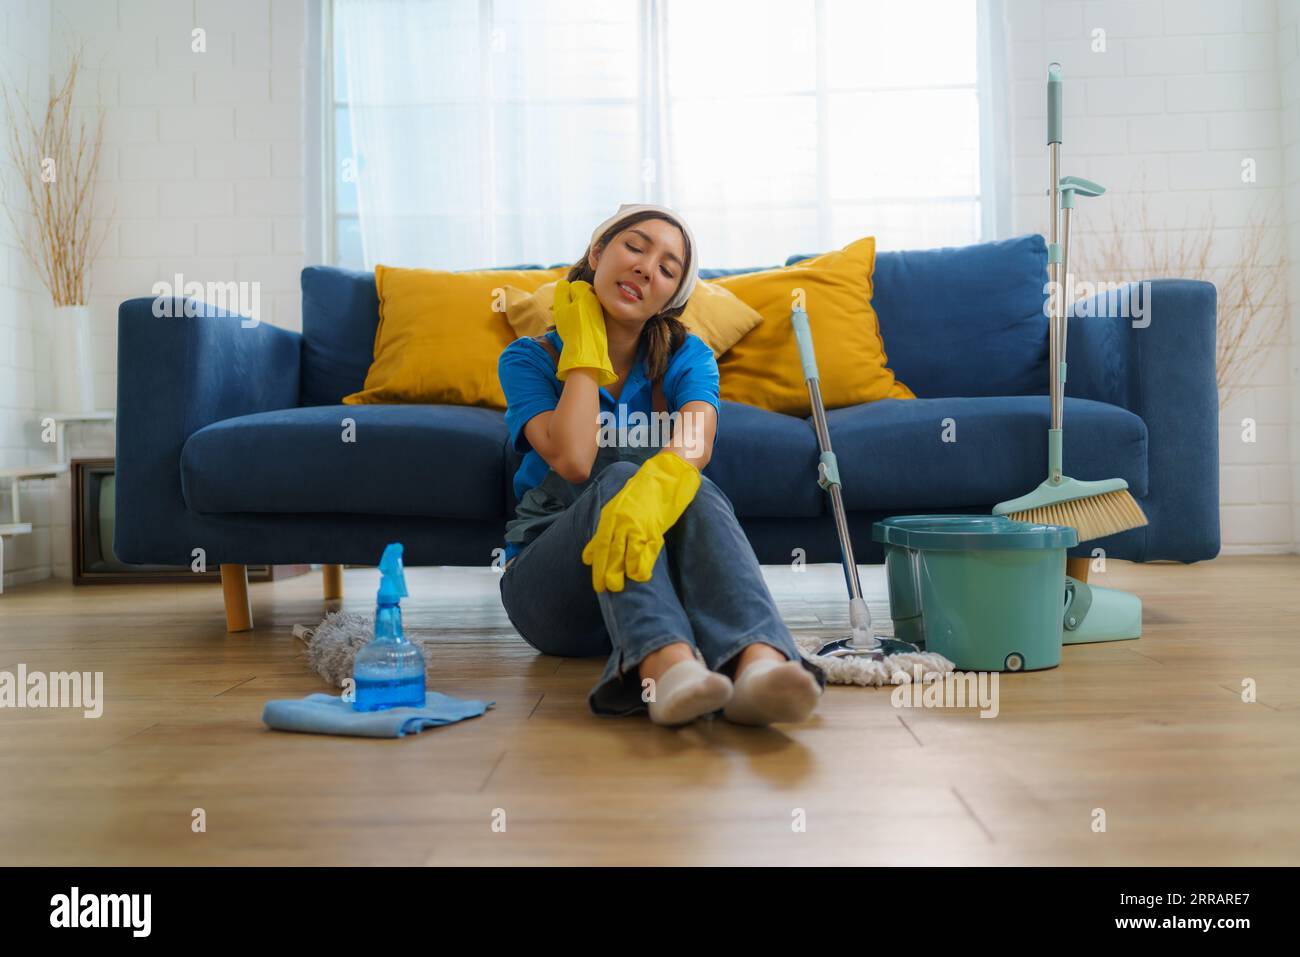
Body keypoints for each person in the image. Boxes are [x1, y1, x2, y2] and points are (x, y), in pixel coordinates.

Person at [497, 203, 826, 727]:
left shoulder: (685, 357)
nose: (647, 267)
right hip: (553, 595)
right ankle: (667, 670)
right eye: (635, 246)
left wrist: (652, 497)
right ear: (598, 252)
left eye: (668, 269)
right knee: (624, 475)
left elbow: (696, 439)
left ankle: (759, 667)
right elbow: (575, 461)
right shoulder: (528, 358)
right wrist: (584, 347)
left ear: (669, 299)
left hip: (659, 586)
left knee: (686, 477)